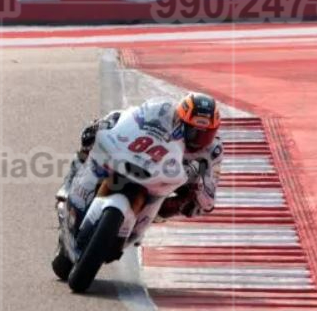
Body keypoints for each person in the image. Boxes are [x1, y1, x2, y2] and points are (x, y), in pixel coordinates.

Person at [56, 92, 224, 231]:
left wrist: (198, 191)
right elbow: (134, 115)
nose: (198, 140)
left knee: (194, 206)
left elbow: (209, 196)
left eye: (206, 134)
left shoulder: (213, 150)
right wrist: (104, 125)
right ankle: (69, 185)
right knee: (93, 133)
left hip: (171, 176)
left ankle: (148, 218)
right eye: (194, 132)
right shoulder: (165, 112)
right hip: (142, 153)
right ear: (181, 121)